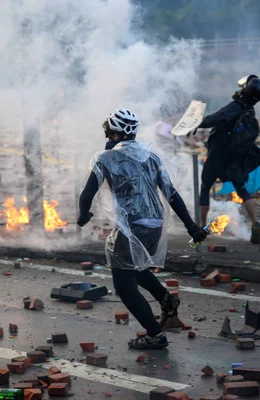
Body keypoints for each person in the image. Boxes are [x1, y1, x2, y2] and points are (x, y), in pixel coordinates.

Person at [77, 108, 208, 350]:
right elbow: (172, 194)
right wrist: (191, 227)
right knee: (137, 268)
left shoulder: (104, 158)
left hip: (131, 228)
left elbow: (86, 195)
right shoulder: (151, 157)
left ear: (115, 133)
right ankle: (166, 299)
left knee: (124, 286)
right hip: (155, 225)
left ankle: (155, 335)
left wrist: (83, 215)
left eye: (108, 131)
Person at [191, 74, 260, 244]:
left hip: (217, 155)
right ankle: (255, 223)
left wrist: (196, 123)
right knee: (242, 190)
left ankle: (203, 226)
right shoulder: (250, 110)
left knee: (205, 188)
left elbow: (217, 118)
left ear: (245, 91)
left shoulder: (236, 106)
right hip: (235, 159)